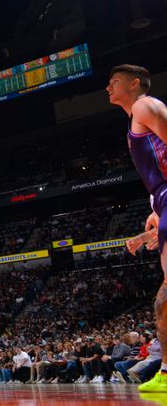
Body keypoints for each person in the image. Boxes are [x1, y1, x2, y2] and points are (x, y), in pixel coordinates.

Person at [114, 65, 167, 393]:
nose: (108, 87)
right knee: (163, 301)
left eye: (114, 82)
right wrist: (155, 215)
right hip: (162, 201)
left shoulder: (145, 105)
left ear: (135, 84)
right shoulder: (138, 115)